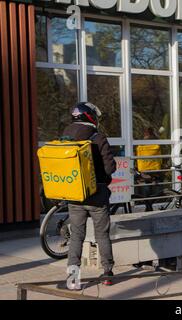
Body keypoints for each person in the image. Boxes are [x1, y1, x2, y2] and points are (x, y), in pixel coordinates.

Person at [61, 102, 117, 289]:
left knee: (76, 237)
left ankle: (73, 279)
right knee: (102, 235)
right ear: (90, 117)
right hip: (97, 196)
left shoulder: (65, 136)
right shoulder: (97, 137)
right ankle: (107, 273)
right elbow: (110, 168)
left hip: (75, 195)